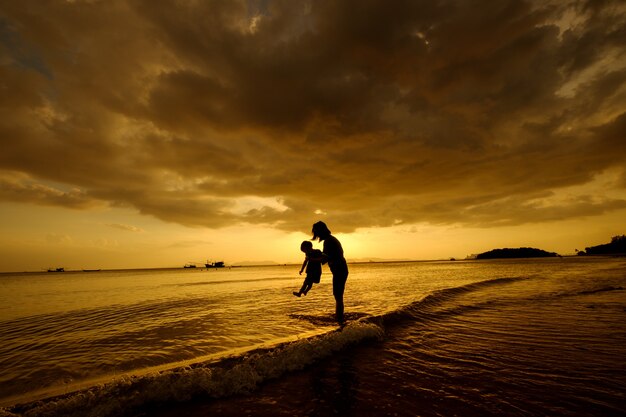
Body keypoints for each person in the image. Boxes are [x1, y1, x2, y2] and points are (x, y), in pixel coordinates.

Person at [311, 221, 349, 324]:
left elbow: (325, 259)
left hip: (339, 270)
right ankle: (340, 319)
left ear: (320, 231)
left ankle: (340, 320)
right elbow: (327, 257)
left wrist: (312, 259)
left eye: (316, 232)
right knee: (338, 295)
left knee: (338, 295)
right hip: (341, 269)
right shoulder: (331, 239)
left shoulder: (328, 241)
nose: (316, 235)